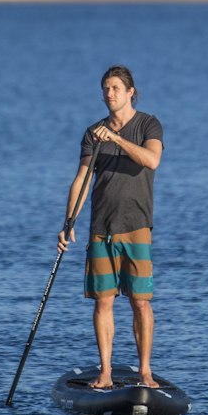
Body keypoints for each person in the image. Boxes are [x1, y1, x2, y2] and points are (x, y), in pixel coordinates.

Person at [58, 65, 163, 389]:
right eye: (105, 88)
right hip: (101, 227)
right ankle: (105, 374)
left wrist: (116, 138)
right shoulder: (93, 133)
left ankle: (145, 372)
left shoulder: (148, 124)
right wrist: (68, 223)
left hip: (137, 226)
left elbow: (151, 160)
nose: (109, 93)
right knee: (104, 301)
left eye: (115, 88)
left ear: (131, 91)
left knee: (140, 301)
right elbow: (81, 181)